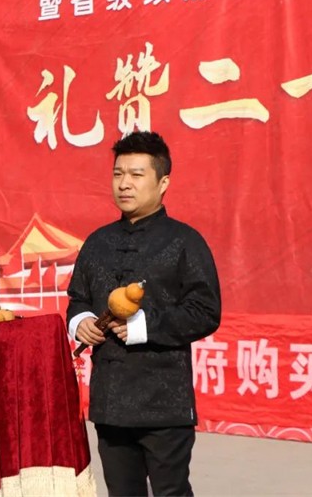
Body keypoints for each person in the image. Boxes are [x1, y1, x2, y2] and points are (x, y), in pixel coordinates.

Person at [66, 131, 221, 496]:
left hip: (164, 402)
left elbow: (205, 311)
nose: (124, 184)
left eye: (137, 174)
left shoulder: (185, 241)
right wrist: (80, 322)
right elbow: (77, 298)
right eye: (118, 174)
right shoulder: (97, 242)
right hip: (110, 400)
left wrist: (143, 326)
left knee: (171, 492)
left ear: (163, 182)